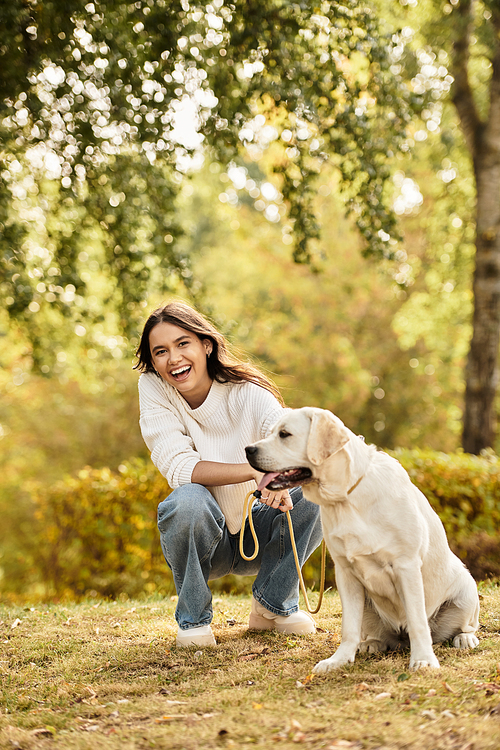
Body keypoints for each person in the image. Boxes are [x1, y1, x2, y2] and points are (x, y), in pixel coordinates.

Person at [135, 300, 323, 647]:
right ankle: (193, 620)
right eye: (160, 351)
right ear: (154, 361)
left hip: (260, 531)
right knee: (187, 499)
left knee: (313, 487)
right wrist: (253, 471)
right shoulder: (154, 389)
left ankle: (272, 606)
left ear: (206, 345)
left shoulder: (248, 391)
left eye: (183, 344)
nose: (173, 358)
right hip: (209, 539)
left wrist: (280, 476)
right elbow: (180, 468)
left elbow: (286, 432)